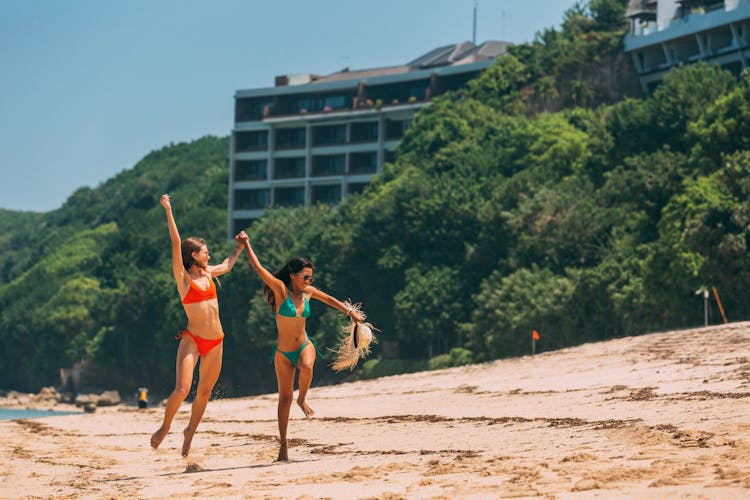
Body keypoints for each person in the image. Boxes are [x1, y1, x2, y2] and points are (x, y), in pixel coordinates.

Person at [236, 230, 364, 461]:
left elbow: (329, 299)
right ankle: (283, 445)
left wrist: (350, 311)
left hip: (304, 344)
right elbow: (260, 271)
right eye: (305, 277)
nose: (309, 281)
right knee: (283, 400)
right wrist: (247, 246)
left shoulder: (309, 293)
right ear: (293, 276)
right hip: (283, 353)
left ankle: (303, 398)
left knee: (306, 366)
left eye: (310, 278)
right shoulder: (281, 290)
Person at [150, 194, 243, 457]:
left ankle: (189, 431)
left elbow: (227, 264)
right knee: (182, 389)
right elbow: (176, 242)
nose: (208, 254)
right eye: (204, 251)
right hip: (192, 339)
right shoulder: (183, 279)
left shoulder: (208, 273)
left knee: (204, 393)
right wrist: (169, 210)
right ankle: (165, 427)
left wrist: (240, 247)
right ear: (194, 255)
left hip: (216, 341)